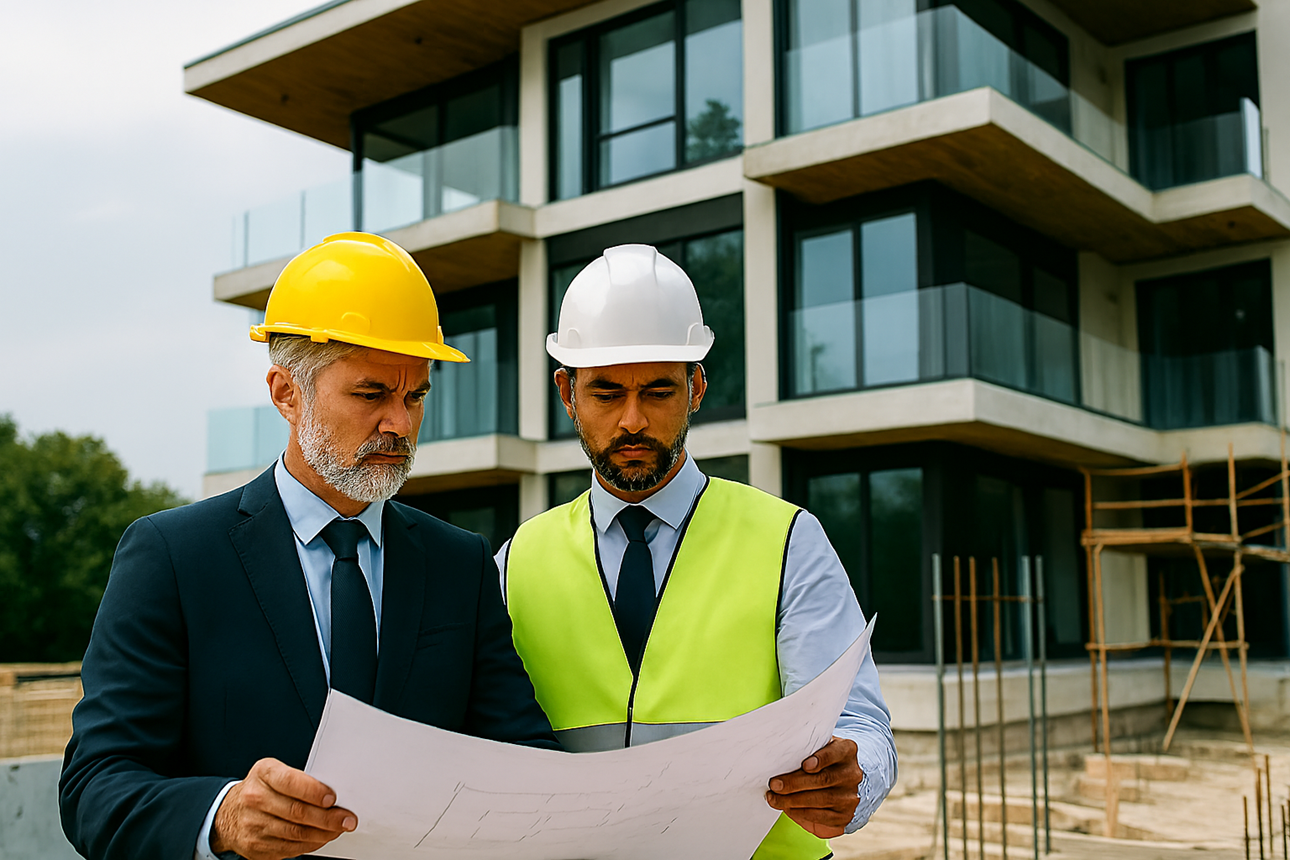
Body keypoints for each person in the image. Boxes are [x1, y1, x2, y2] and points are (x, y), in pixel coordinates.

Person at [60, 233, 557, 860]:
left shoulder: (459, 563)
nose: (400, 424)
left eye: (416, 396)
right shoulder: (172, 557)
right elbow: (95, 786)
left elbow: (523, 761)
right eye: (371, 394)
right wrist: (224, 817)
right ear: (286, 393)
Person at [497, 244, 897, 859]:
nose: (633, 422)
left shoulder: (788, 540)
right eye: (606, 394)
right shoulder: (515, 561)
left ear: (697, 388)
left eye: (657, 392)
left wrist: (853, 778)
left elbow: (859, 725)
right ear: (567, 392)